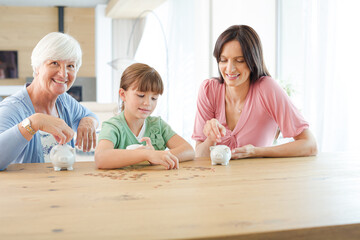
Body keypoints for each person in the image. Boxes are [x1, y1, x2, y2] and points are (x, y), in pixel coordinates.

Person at [192, 25, 317, 159]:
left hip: (258, 177)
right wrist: (211, 139)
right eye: (223, 60)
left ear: (252, 61)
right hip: (218, 178)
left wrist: (257, 152)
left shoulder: (267, 88)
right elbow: (199, 156)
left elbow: (309, 144)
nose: (230, 69)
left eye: (239, 60)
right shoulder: (208, 90)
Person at [0, 32, 99, 170]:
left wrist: (88, 121)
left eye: (71, 66)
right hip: (29, 190)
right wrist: (34, 122)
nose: (63, 74)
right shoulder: (12, 108)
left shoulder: (64, 101)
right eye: (54, 63)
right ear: (37, 67)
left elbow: (90, 116)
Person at [95, 63, 194, 170]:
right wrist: (147, 155)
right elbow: (101, 158)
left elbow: (189, 150)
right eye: (141, 95)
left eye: (154, 98)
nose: (148, 103)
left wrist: (159, 156)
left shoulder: (158, 125)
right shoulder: (113, 126)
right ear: (123, 94)